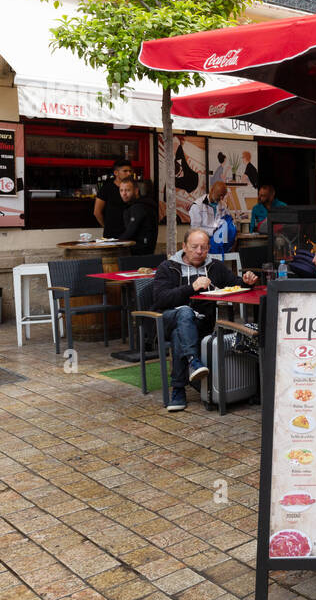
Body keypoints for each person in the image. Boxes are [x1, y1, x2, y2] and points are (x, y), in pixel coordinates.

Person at [150, 229, 261, 412]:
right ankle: (193, 361)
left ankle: (179, 387)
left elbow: (234, 284)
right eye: (194, 247)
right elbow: (161, 299)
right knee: (184, 313)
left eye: (203, 247)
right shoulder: (167, 267)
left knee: (181, 332)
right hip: (168, 319)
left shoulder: (215, 266)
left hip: (199, 324)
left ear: (209, 248)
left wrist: (247, 282)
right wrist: (191, 288)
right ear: (184, 247)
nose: (199, 251)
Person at [115, 178, 158, 256]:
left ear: (136, 191)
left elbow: (131, 230)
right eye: (121, 190)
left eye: (127, 190)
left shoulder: (139, 206)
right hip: (145, 250)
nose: (124, 193)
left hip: (141, 252)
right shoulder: (140, 204)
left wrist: (115, 242)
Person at [94, 159, 133, 238]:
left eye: (130, 171)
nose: (129, 173)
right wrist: (107, 227)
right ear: (116, 173)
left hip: (130, 233)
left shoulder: (133, 188)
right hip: (111, 235)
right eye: (125, 171)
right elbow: (97, 212)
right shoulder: (106, 188)